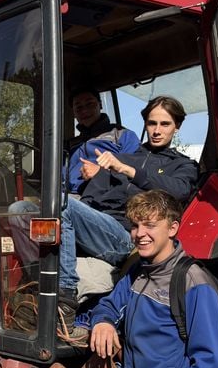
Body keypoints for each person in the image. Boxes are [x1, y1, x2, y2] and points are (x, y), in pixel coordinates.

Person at [57, 96, 198, 330]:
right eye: (152, 123)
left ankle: (65, 298)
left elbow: (179, 191)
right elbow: (93, 196)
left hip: (126, 235)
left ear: (177, 126)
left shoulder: (182, 166)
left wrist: (129, 171)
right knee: (22, 210)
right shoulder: (122, 158)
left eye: (165, 124)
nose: (156, 130)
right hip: (99, 227)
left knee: (61, 205)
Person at [80, 190, 218, 368]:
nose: (139, 234)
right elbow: (109, 305)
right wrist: (103, 322)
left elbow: (208, 365)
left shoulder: (194, 283)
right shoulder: (137, 271)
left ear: (172, 228)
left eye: (150, 225)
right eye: (135, 226)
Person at [7, 87, 139, 264]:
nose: (84, 110)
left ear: (100, 105)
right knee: (18, 210)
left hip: (101, 206)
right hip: (71, 199)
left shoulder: (122, 136)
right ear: (74, 113)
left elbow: (133, 175)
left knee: (60, 205)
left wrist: (101, 173)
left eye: (89, 104)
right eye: (78, 107)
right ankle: (35, 272)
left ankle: (63, 284)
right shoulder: (71, 145)